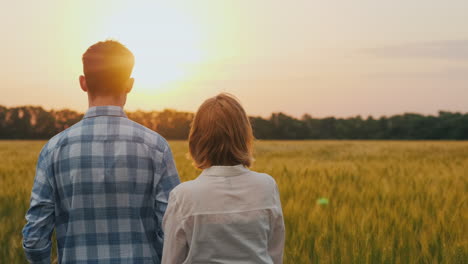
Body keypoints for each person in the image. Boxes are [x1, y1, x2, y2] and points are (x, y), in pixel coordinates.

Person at [22, 40, 180, 263]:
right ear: (129, 84)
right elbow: (174, 229)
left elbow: (35, 238)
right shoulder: (156, 147)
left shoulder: (53, 150)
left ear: (83, 83)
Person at [162, 93, 285, 264]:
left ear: (197, 139)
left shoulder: (183, 196)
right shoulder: (267, 186)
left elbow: (171, 260)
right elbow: (275, 254)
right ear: (244, 136)